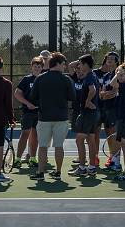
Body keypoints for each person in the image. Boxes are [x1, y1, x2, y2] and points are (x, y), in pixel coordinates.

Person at [29, 52, 76, 181]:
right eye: (64, 64)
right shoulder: (66, 79)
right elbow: (72, 97)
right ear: (58, 64)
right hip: (61, 118)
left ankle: (40, 173)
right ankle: (58, 172)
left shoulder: (40, 78)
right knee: (58, 146)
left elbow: (33, 98)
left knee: (42, 146)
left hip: (44, 118)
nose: (65, 67)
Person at [68, 54, 100, 177]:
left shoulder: (90, 76)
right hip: (92, 114)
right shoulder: (90, 76)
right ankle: (91, 168)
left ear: (86, 65)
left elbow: (93, 90)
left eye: (81, 64)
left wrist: (87, 101)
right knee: (91, 140)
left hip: (88, 113)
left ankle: (82, 168)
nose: (79, 66)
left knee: (79, 139)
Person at [13, 56, 43, 169]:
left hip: (40, 113)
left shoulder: (43, 79)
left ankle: (32, 158)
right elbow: (17, 93)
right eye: (35, 66)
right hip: (27, 112)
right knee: (25, 134)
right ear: (32, 67)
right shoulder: (26, 79)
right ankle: (18, 159)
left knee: (35, 135)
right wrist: (27, 103)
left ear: (41, 68)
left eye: (39, 66)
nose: (37, 68)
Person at [109, 63, 125, 181]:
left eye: (122, 74)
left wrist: (117, 73)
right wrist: (117, 72)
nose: (119, 76)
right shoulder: (123, 84)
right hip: (122, 118)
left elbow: (112, 84)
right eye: (118, 74)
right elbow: (113, 85)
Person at [100, 51, 121, 171]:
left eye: (112, 59)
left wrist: (108, 94)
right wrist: (106, 94)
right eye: (108, 59)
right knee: (109, 135)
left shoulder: (119, 74)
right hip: (106, 108)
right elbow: (102, 93)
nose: (109, 61)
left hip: (115, 109)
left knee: (114, 135)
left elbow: (115, 92)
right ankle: (112, 159)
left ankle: (117, 163)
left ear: (116, 61)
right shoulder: (106, 76)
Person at [92, 56, 110, 166]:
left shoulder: (114, 75)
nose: (111, 64)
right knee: (96, 133)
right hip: (97, 108)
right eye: (109, 61)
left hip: (109, 108)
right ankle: (95, 156)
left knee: (110, 133)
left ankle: (112, 158)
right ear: (104, 62)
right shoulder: (94, 73)